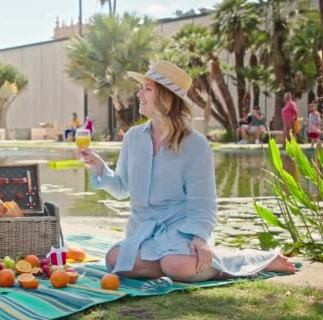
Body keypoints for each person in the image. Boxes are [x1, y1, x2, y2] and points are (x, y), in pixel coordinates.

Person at [78, 61, 297, 283]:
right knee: (115, 260)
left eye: (147, 88)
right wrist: (99, 167)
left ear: (165, 97)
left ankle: (249, 260)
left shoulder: (196, 145)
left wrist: (200, 238)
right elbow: (122, 189)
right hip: (143, 231)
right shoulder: (133, 138)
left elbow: (203, 203)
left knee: (177, 264)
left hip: (181, 229)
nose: (139, 94)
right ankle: (178, 265)